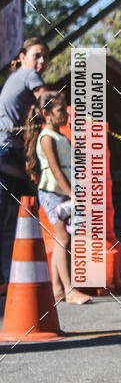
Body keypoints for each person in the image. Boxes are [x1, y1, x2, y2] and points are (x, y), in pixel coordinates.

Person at [24, 90, 91, 304]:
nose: (65, 114)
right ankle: (70, 290)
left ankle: (57, 288)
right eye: (61, 110)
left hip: (63, 192)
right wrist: (73, 194)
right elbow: (55, 170)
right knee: (63, 238)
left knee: (61, 238)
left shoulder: (61, 136)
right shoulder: (46, 138)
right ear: (47, 113)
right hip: (52, 193)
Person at [0, 37, 49, 294]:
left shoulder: (15, 77)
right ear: (22, 56)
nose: (41, 62)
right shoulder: (28, 74)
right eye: (37, 55)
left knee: (19, 214)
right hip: (6, 153)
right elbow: (47, 101)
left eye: (45, 58)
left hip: (10, 153)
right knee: (35, 208)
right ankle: (45, 274)